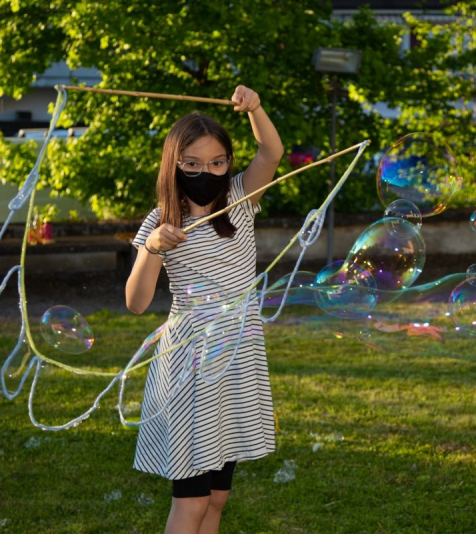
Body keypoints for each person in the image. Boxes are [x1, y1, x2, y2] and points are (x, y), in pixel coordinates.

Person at [126, 85, 283, 534]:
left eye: (217, 163)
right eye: (192, 164)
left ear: (229, 163)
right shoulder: (160, 221)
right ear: (173, 164)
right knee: (192, 501)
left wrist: (255, 108)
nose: (206, 173)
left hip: (237, 357)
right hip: (191, 363)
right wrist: (152, 248)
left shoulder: (240, 200)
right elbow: (136, 303)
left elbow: (271, 152)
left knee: (217, 497)